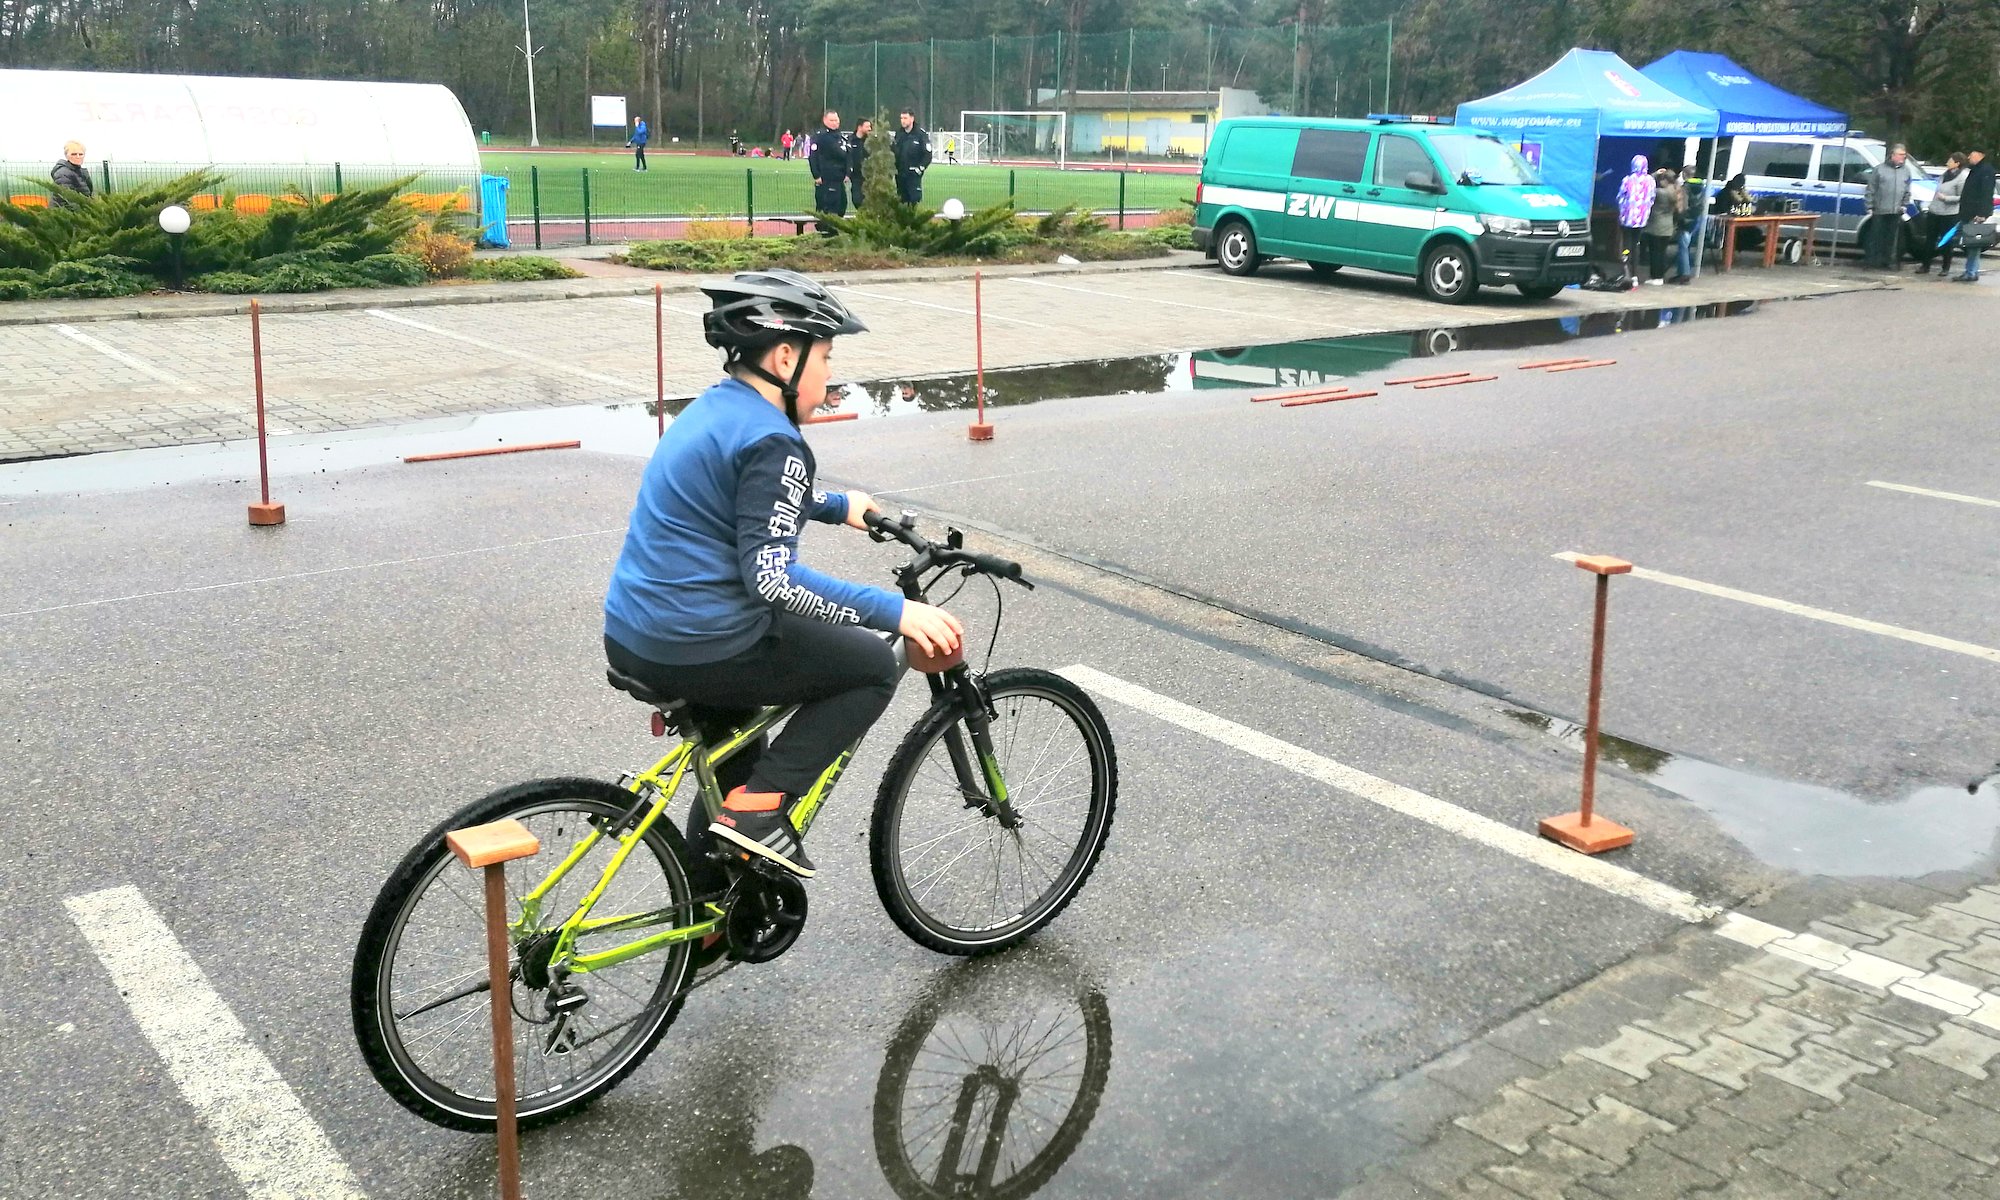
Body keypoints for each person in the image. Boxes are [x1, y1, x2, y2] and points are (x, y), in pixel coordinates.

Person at [602, 268, 964, 880]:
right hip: (700, 642)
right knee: (871, 665)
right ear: (786, 356)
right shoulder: (776, 441)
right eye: (826, 357)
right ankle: (760, 811)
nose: (829, 377)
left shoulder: (715, 407)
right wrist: (896, 610)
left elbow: (742, 494)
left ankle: (713, 903)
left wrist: (835, 505)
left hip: (635, 632)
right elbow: (775, 583)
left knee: (738, 750)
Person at [1861, 142, 1914, 269]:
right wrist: (1869, 206)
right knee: (1876, 237)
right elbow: (1871, 189)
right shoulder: (1879, 169)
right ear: (1893, 155)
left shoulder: (1906, 171)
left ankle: (1889, 261)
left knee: (1892, 238)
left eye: (1904, 155)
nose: (1903, 157)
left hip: (1896, 210)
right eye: (1900, 154)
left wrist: (1904, 204)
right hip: (1879, 209)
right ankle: (1872, 261)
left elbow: (1907, 190)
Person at [1914, 152, 1966, 277]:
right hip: (1934, 211)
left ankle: (1945, 267)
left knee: (1946, 240)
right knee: (1930, 239)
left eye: (1950, 160)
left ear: (1957, 163)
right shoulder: (1944, 175)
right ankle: (1925, 265)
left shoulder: (1961, 178)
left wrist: (1946, 198)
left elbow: (1962, 197)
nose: (1947, 162)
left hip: (1949, 214)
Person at [1614, 154, 1656, 289]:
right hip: (1642, 220)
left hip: (1627, 219)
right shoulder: (1650, 181)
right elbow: (1652, 198)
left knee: (1626, 246)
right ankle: (1635, 275)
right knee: (1636, 245)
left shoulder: (1627, 180)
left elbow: (1620, 197)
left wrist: (1622, 211)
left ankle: (1625, 270)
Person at [807, 110, 851, 232]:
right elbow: (813, 157)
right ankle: (826, 232)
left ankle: (834, 230)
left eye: (836, 120)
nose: (835, 123)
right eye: (832, 120)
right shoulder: (820, 137)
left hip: (839, 178)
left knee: (841, 205)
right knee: (829, 207)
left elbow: (847, 156)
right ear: (825, 121)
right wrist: (816, 175)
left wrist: (847, 173)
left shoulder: (841, 137)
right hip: (826, 178)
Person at [1955, 147, 1994, 283]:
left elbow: (1986, 193)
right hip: (1968, 212)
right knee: (1970, 243)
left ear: (1979, 155)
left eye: (1971, 155)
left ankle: (1971, 272)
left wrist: (1982, 213)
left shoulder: (1985, 170)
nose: (1969, 157)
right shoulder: (1975, 170)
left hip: (1975, 214)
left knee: (1973, 243)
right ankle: (1970, 271)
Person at [1642, 165, 1682, 285]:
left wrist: (1654, 174)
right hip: (1668, 228)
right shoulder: (1675, 192)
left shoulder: (1659, 193)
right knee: (1661, 253)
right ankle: (1660, 277)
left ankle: (1656, 277)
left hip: (1656, 227)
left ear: (1665, 180)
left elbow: (1645, 185)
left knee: (1655, 253)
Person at [893, 108, 932, 204]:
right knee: (901, 201)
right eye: (901, 118)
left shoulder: (921, 134)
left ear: (912, 119)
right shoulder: (899, 134)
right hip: (900, 175)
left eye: (905, 118)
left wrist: (919, 169)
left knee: (914, 200)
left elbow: (927, 154)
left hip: (913, 175)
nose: (903, 121)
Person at [50, 141, 92, 207]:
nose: (78, 157)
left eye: (81, 154)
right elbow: (66, 199)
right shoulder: (63, 173)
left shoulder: (79, 171)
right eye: (74, 154)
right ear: (66, 156)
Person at [847, 117, 873, 210]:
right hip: (856, 177)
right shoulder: (850, 140)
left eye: (870, 126)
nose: (870, 129)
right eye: (867, 126)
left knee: (870, 201)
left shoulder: (871, 141)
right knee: (857, 199)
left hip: (869, 177)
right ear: (859, 127)